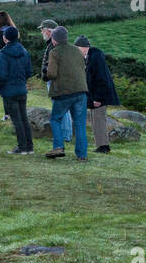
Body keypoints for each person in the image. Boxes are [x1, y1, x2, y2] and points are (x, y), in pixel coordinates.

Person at [44, 25, 88, 161]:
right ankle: (82, 155)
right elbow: (83, 68)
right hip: (81, 91)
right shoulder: (76, 50)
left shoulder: (54, 52)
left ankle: (58, 147)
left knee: (55, 119)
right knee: (80, 124)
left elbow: (51, 73)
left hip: (63, 92)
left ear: (54, 40)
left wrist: (45, 74)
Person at [76, 35, 119, 155]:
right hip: (96, 95)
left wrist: (98, 98)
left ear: (84, 48)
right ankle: (100, 145)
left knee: (99, 119)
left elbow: (102, 79)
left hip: (100, 96)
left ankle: (104, 146)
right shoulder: (91, 57)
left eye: (77, 48)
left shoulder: (95, 58)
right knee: (95, 119)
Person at [0, 25, 33, 154]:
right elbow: (29, 72)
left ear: (5, 39)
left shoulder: (3, 53)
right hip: (22, 89)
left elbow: (2, 74)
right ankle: (29, 147)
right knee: (24, 119)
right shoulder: (24, 51)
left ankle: (22, 147)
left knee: (16, 121)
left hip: (9, 91)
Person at [38, 19, 72, 144]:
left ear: (49, 31)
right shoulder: (54, 44)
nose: (41, 31)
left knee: (61, 107)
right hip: (56, 80)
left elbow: (54, 65)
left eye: (42, 29)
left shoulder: (54, 45)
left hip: (55, 81)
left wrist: (47, 75)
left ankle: (65, 135)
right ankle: (65, 134)